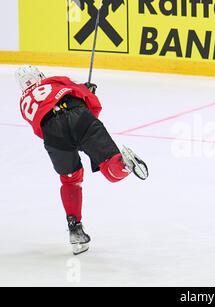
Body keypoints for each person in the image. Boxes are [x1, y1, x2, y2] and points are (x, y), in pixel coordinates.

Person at [16, 65, 149, 255]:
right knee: (110, 168)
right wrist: (89, 92)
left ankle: (75, 229)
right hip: (78, 117)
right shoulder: (52, 80)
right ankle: (124, 165)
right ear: (39, 75)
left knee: (71, 179)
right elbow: (85, 96)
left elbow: (39, 128)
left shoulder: (23, 103)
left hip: (53, 134)